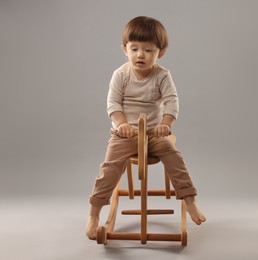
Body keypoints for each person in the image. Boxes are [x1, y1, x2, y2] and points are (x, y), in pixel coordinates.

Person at [86, 16, 206, 240]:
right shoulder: (120, 75)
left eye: (148, 50)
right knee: (109, 168)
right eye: (135, 49)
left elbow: (171, 101)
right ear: (125, 49)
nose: (140, 55)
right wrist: (122, 125)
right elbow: (113, 104)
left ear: (160, 52)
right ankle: (94, 213)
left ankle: (190, 201)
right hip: (125, 135)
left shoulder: (162, 75)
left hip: (153, 133)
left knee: (174, 156)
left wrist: (165, 124)